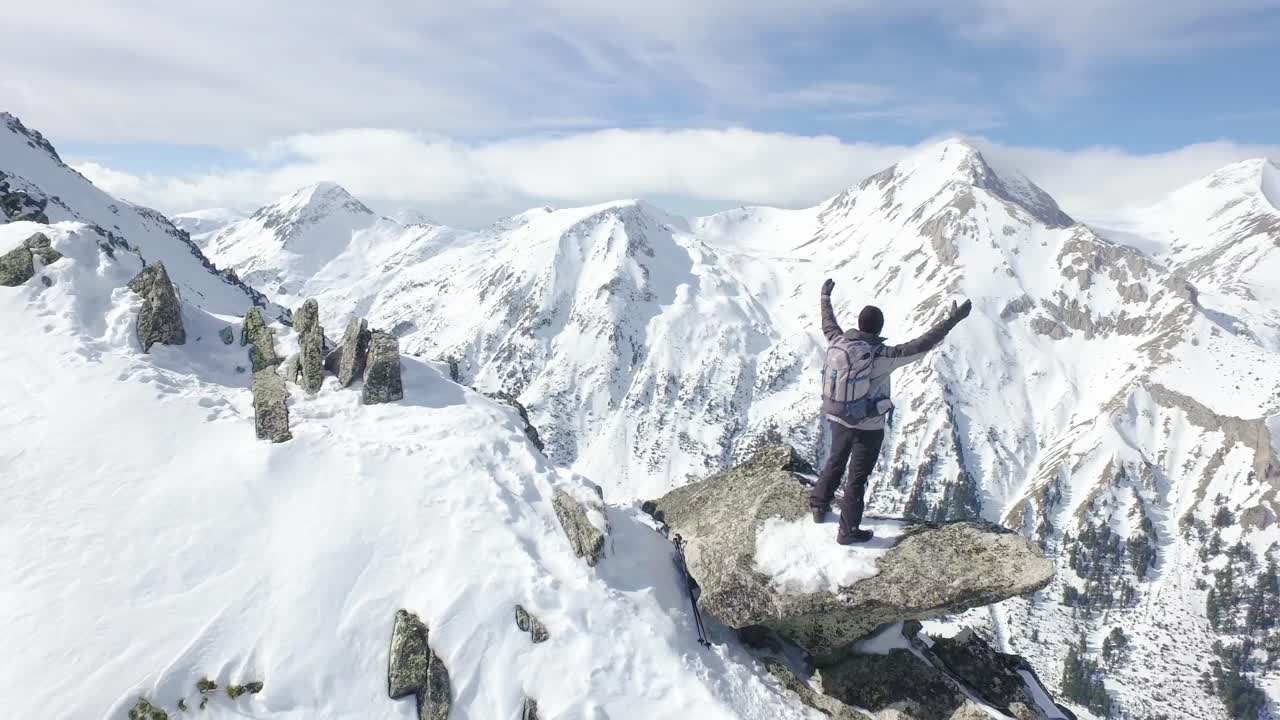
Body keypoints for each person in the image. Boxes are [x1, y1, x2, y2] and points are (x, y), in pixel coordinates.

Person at [811, 278, 972, 544]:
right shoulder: (883, 356)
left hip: (838, 416)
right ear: (879, 329)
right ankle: (847, 531)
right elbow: (921, 344)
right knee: (856, 478)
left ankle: (819, 505)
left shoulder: (838, 341)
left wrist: (825, 297)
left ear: (859, 324)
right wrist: (953, 320)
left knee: (835, 461)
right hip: (869, 426)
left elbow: (828, 323)